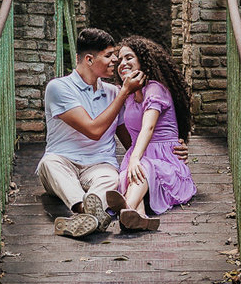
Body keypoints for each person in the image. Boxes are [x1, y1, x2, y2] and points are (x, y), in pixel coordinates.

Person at [39, 28, 187, 238]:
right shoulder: (58, 88)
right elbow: (94, 130)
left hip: (100, 166)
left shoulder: (114, 93)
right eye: (109, 56)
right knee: (49, 164)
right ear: (89, 59)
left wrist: (172, 151)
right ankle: (84, 210)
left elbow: (134, 138)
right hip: (63, 164)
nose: (115, 61)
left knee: (112, 178)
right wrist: (124, 92)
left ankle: (86, 219)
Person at [112, 35, 196, 231]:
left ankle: (120, 211)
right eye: (120, 59)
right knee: (127, 176)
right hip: (140, 157)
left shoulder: (155, 89)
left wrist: (134, 158)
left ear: (143, 60)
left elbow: (148, 127)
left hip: (165, 161)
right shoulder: (127, 94)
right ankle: (138, 216)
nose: (122, 63)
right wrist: (133, 159)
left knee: (141, 168)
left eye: (128, 57)